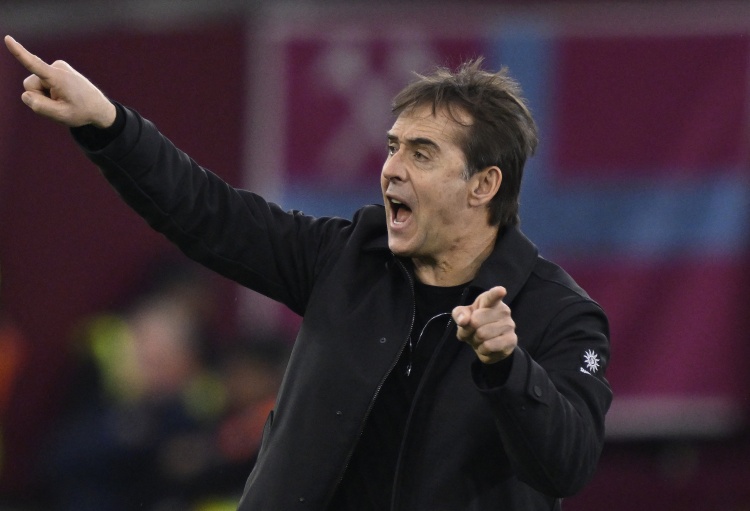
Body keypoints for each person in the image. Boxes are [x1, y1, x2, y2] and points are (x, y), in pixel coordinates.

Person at [4, 34, 612, 510]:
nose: (392, 169)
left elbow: (567, 465)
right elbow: (207, 211)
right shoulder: (345, 259)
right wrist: (107, 124)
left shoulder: (560, 316)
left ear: (483, 184)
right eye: (393, 146)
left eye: (421, 153)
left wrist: (506, 367)